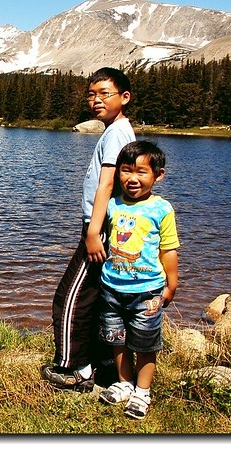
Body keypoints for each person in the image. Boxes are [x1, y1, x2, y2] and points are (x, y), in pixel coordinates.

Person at [41, 67, 135, 392]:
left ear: (124, 98)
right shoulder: (116, 130)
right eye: (91, 94)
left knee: (69, 298)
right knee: (96, 296)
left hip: (101, 228)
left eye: (104, 94)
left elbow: (107, 183)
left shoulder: (118, 132)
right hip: (105, 226)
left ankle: (73, 368)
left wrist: (94, 231)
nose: (96, 100)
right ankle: (101, 363)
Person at [96, 140, 179, 420]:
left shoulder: (162, 209)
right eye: (126, 171)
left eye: (141, 172)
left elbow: (168, 249)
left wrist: (172, 283)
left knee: (145, 344)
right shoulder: (112, 203)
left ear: (159, 175)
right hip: (111, 288)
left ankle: (143, 391)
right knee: (116, 340)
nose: (132, 179)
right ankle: (123, 382)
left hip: (148, 293)